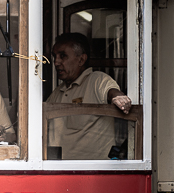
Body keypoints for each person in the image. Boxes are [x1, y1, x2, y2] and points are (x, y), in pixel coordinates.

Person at [45, 32, 132, 160]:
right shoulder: (58, 92)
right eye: (55, 56)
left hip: (92, 171)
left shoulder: (96, 80)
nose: (56, 62)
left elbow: (110, 91)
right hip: (57, 169)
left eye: (63, 56)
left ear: (81, 59)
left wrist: (118, 97)